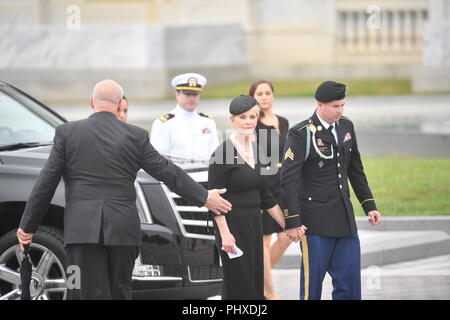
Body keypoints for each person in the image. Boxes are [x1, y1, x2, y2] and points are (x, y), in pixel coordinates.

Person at [16, 79, 232, 300]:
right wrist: (204, 197)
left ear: (91, 102)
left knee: (84, 292)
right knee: (121, 292)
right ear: (120, 104)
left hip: (82, 233)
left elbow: (46, 183)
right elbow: (167, 171)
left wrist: (27, 226)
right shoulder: (135, 136)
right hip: (123, 231)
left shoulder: (67, 133)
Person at [281, 80, 382, 300]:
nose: (340, 110)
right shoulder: (301, 133)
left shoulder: (346, 126)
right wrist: (292, 221)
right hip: (314, 221)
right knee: (312, 289)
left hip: (344, 219)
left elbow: (355, 169)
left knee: (349, 286)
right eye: (336, 106)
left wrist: (369, 205)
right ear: (320, 104)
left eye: (343, 105)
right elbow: (288, 180)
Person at [208, 95, 286, 300]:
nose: (249, 121)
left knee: (254, 283)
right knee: (238, 286)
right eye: (243, 117)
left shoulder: (257, 150)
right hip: (232, 227)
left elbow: (266, 196)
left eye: (253, 116)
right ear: (232, 120)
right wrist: (225, 235)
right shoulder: (221, 153)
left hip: (254, 225)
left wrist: (289, 224)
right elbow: (214, 201)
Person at [249, 80, 291, 300]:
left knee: (286, 235)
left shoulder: (283, 122)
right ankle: (270, 293)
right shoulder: (253, 124)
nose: (264, 97)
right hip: (264, 185)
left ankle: (258, 279)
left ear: (273, 95)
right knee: (265, 239)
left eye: (267, 93)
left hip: (284, 185)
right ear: (253, 98)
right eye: (259, 94)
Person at [150, 73, 219, 165]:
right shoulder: (164, 123)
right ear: (177, 94)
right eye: (187, 94)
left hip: (205, 175)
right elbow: (157, 159)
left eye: (195, 94)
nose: (192, 98)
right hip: (177, 177)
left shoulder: (208, 122)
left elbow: (215, 155)